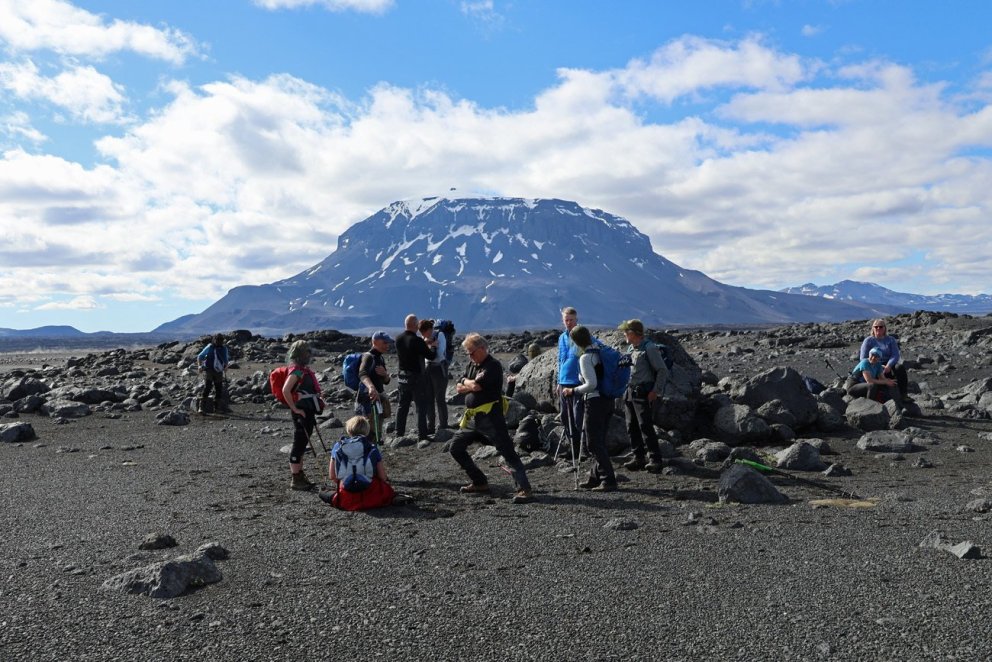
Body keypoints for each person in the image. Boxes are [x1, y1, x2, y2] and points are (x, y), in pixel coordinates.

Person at [450, 333, 534, 504]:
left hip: (491, 418)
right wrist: (468, 382)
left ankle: (525, 489)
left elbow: (474, 386)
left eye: (472, 352)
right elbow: (459, 387)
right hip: (473, 419)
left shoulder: (492, 366)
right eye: (467, 353)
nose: (470, 356)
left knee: (507, 451)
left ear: (482, 349)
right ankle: (479, 482)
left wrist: (467, 384)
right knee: (455, 448)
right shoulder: (472, 364)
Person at [561, 325, 618, 492]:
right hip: (607, 400)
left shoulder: (586, 358)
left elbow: (591, 384)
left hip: (594, 402)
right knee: (598, 440)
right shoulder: (600, 352)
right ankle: (596, 477)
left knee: (592, 443)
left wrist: (573, 390)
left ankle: (609, 480)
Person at [618, 319, 668, 472]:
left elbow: (662, 370)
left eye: (627, 331)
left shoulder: (650, 348)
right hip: (629, 393)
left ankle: (655, 460)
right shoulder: (630, 349)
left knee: (645, 426)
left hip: (643, 393)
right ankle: (638, 458)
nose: (625, 334)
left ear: (634, 333)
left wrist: (655, 391)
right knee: (631, 426)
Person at [321, 416, 395, 511]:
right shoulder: (371, 447)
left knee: (323, 492)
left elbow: (333, 476)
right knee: (388, 490)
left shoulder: (338, 446)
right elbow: (382, 477)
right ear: (367, 430)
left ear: (349, 430)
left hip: (346, 497)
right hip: (371, 494)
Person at [281, 340, 324, 491]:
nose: (309, 354)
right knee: (299, 443)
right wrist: (295, 408)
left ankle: (299, 475)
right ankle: (296, 478)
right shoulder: (297, 371)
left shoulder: (302, 369)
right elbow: (285, 390)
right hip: (301, 412)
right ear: (300, 353)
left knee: (302, 442)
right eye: (306, 352)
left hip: (307, 411)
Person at [395, 314, 437, 441]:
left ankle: (399, 433)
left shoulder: (398, 338)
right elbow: (431, 356)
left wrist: (424, 343)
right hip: (416, 377)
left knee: (402, 405)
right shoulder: (417, 340)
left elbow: (410, 348)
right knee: (421, 407)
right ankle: (422, 435)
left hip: (402, 376)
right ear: (415, 325)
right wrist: (433, 346)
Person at [557, 307, 585, 458]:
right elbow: (560, 359)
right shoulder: (562, 337)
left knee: (578, 416)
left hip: (577, 382)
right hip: (563, 381)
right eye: (566, 320)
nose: (568, 323)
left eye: (571, 320)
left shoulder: (582, 336)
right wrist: (558, 381)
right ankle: (573, 448)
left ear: (576, 320)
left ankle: (583, 448)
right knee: (564, 416)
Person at [859, 319, 909, 399]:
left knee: (899, 368)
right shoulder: (868, 341)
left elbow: (895, 355)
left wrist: (889, 365)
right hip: (873, 365)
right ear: (873, 328)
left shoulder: (891, 340)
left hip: (888, 365)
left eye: (881, 327)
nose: (878, 328)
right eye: (876, 327)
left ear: (885, 328)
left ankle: (903, 394)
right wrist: (877, 366)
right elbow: (863, 358)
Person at [357, 331, 393, 443]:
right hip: (367, 400)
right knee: (367, 432)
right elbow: (362, 373)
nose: (387, 345)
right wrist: (371, 388)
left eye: (388, 343)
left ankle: (374, 455)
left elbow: (386, 381)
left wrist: (385, 375)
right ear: (375, 342)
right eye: (384, 342)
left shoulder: (380, 358)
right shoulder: (368, 357)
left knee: (377, 431)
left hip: (378, 399)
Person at [847, 347, 904, 411]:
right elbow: (869, 380)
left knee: (892, 383)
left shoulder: (878, 364)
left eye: (876, 356)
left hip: (864, 385)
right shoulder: (865, 362)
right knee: (872, 385)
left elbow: (882, 378)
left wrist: (889, 381)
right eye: (872, 355)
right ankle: (868, 407)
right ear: (869, 354)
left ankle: (898, 405)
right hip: (854, 385)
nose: (873, 358)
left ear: (879, 358)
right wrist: (885, 382)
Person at [419, 319, 449, 432]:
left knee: (440, 398)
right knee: (429, 398)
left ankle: (443, 425)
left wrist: (430, 345)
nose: (423, 335)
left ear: (430, 329)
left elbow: (440, 354)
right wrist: (430, 344)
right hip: (427, 368)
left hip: (438, 368)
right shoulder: (424, 339)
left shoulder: (439, 335)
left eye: (424, 332)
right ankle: (430, 426)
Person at [196, 333, 230, 414]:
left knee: (218, 389)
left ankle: (216, 408)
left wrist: (225, 366)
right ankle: (201, 407)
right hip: (209, 370)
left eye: (220, 341)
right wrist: (199, 366)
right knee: (207, 387)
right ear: (214, 340)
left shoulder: (224, 348)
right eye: (218, 340)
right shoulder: (210, 347)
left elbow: (226, 359)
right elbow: (200, 356)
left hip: (219, 371)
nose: (219, 342)